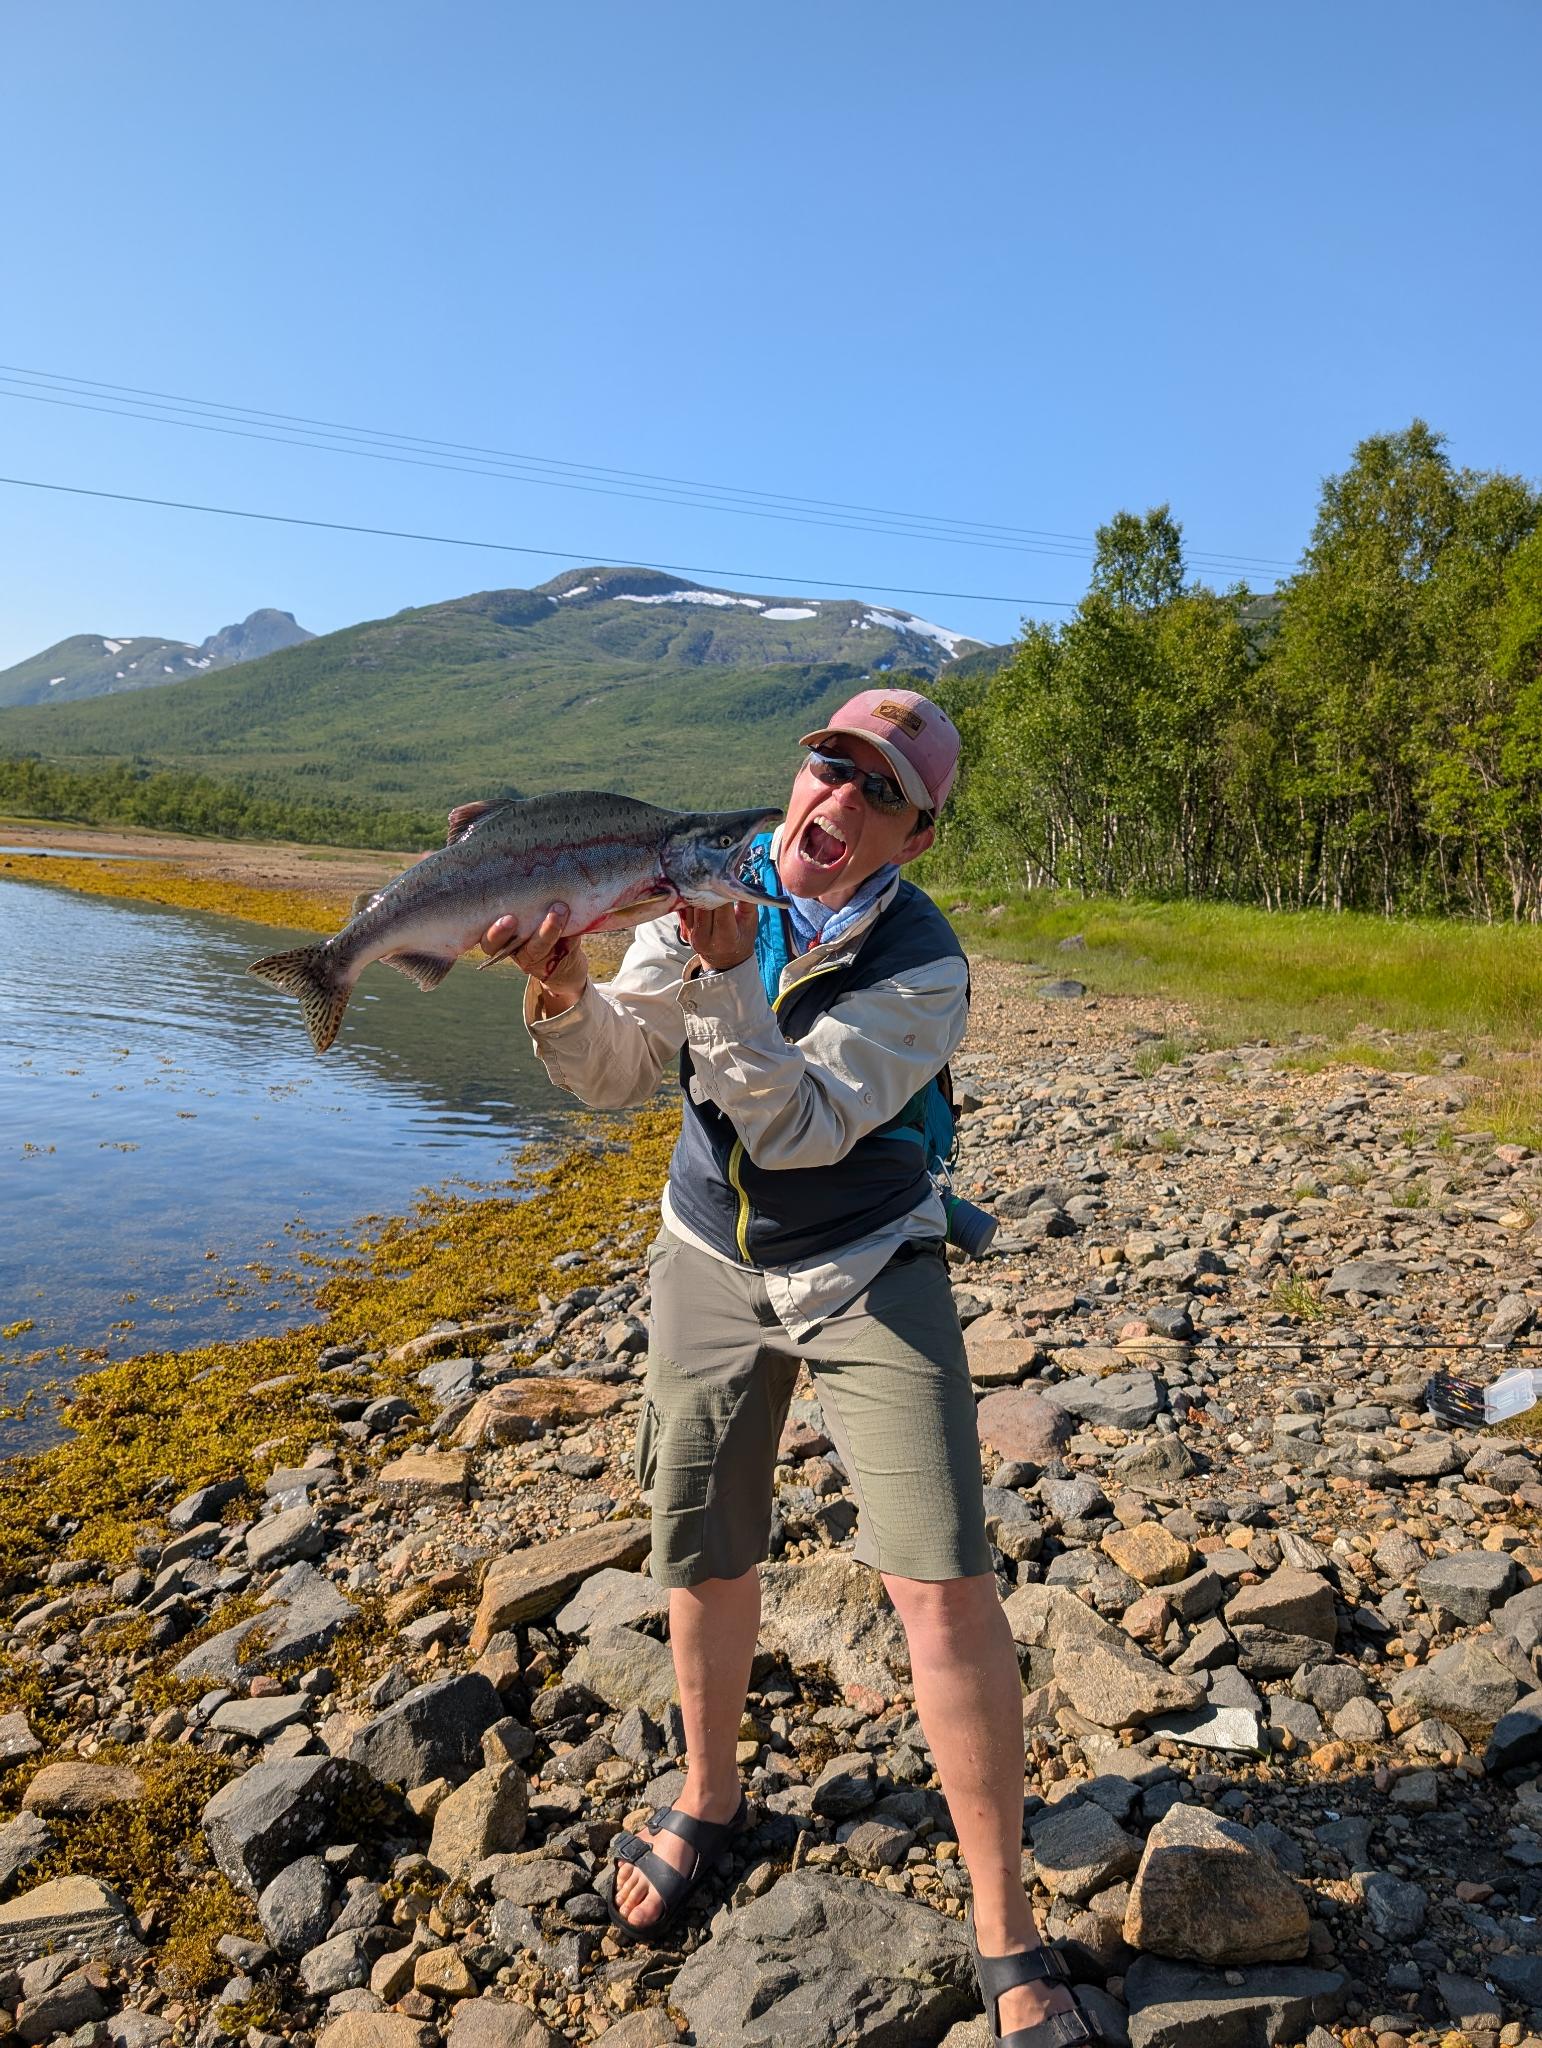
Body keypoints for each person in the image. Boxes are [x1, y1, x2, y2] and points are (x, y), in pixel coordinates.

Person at [478, 689, 1101, 2048]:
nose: (839, 801)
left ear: (915, 838)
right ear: (795, 771)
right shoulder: (693, 876)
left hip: (867, 1256)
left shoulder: (921, 963)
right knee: (700, 1542)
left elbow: (810, 1131)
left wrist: (726, 979)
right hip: (706, 1253)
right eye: (830, 765)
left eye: (881, 793)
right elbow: (616, 1074)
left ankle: (1004, 1925)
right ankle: (707, 1795)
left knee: (939, 1584)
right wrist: (562, 984)